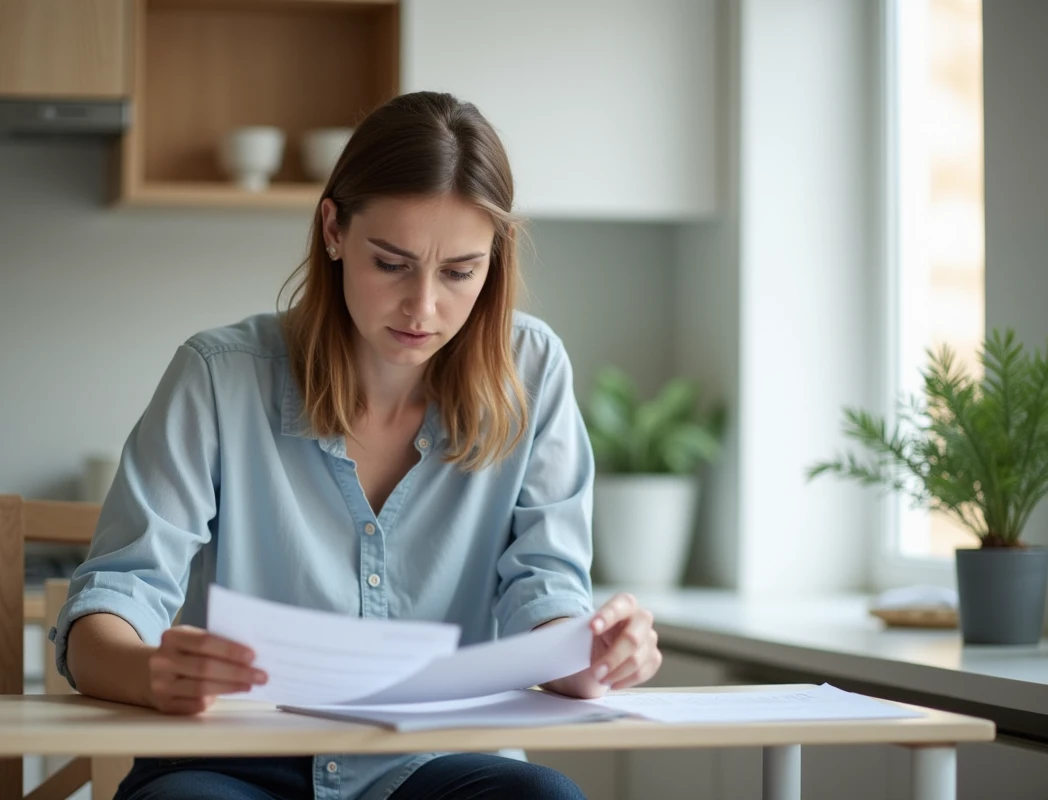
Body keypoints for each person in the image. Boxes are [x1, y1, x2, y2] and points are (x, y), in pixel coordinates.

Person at [50, 91, 662, 800]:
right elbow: (115, 600)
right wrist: (145, 670)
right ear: (334, 229)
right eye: (392, 263)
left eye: (460, 271)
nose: (423, 307)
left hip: (436, 761)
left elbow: (545, 589)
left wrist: (588, 658)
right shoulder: (219, 375)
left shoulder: (533, 371)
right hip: (229, 761)